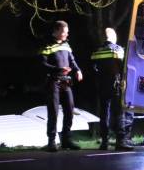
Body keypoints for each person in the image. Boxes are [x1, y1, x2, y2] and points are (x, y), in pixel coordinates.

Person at [40, 20, 83, 152]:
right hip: (53, 82)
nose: (66, 34)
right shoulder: (47, 45)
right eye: (64, 32)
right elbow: (42, 64)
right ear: (57, 31)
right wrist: (58, 69)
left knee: (69, 110)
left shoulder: (66, 45)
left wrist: (78, 70)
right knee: (53, 112)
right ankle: (52, 141)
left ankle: (66, 140)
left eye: (67, 32)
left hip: (66, 82)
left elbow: (72, 61)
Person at [91, 27, 134, 151]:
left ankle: (104, 141)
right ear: (112, 37)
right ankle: (121, 141)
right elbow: (124, 66)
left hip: (102, 85)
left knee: (104, 113)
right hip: (115, 85)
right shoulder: (117, 49)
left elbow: (94, 68)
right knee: (119, 112)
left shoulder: (97, 51)